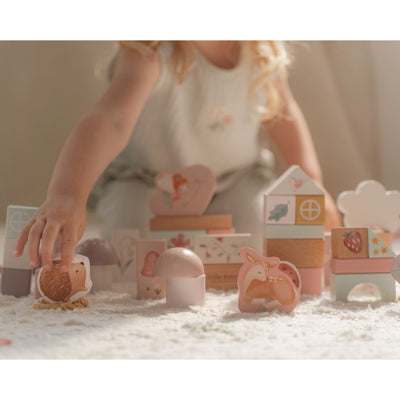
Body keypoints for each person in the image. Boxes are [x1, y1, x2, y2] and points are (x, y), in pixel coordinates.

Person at [14, 41, 341, 273]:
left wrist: (312, 184)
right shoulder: (149, 53)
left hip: (236, 180)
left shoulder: (261, 53)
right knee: (126, 252)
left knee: (260, 241)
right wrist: (68, 194)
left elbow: (285, 118)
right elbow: (110, 120)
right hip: (147, 181)